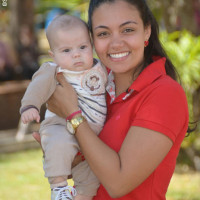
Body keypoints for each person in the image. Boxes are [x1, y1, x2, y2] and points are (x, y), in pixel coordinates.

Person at [34, 0, 189, 199]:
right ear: (92, 40)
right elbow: (89, 165)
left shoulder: (165, 93)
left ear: (147, 31)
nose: (116, 43)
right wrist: (61, 151)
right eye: (103, 33)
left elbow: (118, 183)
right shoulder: (96, 87)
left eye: (127, 30)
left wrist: (73, 115)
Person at [20, 15, 107, 200]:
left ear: (91, 45)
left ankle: (81, 195)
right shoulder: (54, 70)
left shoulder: (100, 69)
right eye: (66, 50)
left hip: (92, 136)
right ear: (54, 55)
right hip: (61, 125)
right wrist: (30, 105)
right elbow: (37, 86)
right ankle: (59, 187)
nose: (76, 54)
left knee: (92, 173)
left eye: (83, 47)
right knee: (57, 144)